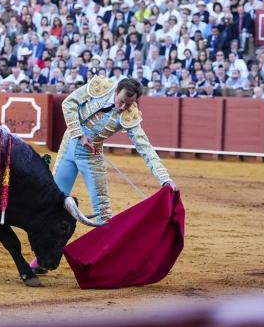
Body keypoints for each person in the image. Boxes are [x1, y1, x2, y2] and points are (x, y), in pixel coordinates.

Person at [54, 75, 177, 224]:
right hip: (69, 145)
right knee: (55, 198)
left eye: (129, 104)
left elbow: (145, 148)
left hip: (91, 156)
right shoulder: (100, 86)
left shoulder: (130, 115)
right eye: (122, 101)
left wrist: (165, 179)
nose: (123, 107)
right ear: (116, 91)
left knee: (103, 210)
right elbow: (69, 103)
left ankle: (105, 246)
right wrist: (79, 134)